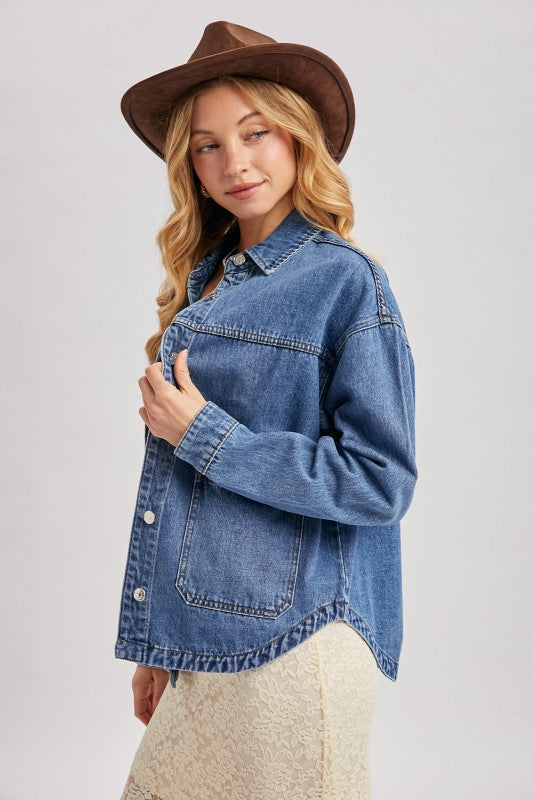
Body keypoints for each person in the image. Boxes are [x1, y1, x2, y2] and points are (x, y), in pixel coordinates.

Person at [116, 19, 418, 800]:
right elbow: (193, 502)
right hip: (208, 642)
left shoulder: (342, 282)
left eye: (256, 133)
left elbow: (377, 481)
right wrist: (161, 642)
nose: (234, 162)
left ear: (297, 138)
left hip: (297, 645)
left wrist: (206, 435)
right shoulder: (210, 282)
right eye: (207, 145)